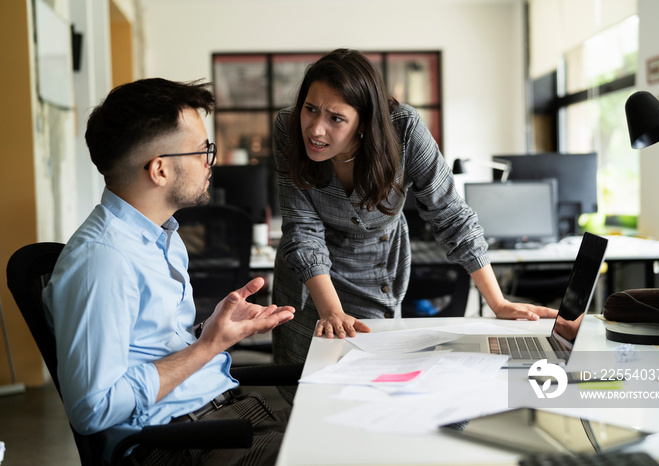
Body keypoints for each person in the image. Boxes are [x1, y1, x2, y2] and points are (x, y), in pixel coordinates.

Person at [271, 49, 557, 396]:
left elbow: (452, 216)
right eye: (311, 109)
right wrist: (331, 311)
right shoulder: (288, 130)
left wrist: (498, 302)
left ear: (363, 122)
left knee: (370, 388)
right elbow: (302, 232)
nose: (315, 129)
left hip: (374, 271)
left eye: (336, 118)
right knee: (304, 391)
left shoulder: (403, 131)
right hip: (310, 284)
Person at [42, 78, 295, 465]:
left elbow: (149, 346)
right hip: (177, 443)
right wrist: (209, 347)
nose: (210, 161)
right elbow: (92, 408)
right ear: (159, 169)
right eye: (201, 150)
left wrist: (211, 333)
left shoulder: (163, 236)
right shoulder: (102, 261)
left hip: (225, 414)